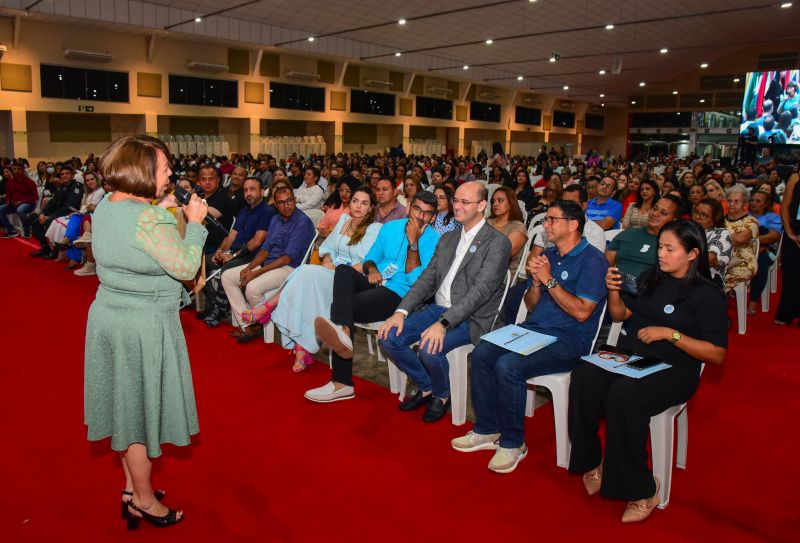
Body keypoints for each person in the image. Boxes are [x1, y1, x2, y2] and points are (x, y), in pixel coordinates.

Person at [84, 135, 209, 529]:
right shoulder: (149, 219)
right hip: (142, 324)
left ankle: (129, 486)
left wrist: (162, 207)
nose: (170, 173)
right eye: (164, 168)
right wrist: (195, 224)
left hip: (109, 316)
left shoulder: (106, 204)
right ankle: (143, 500)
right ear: (142, 171)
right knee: (138, 417)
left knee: (124, 406)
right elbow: (187, 267)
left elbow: (135, 235)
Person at [568, 220, 727, 523]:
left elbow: (717, 354)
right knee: (585, 375)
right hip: (635, 355)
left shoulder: (707, 294)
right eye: (660, 248)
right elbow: (621, 315)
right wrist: (614, 291)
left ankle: (642, 487)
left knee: (624, 395)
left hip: (675, 368)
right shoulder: (652, 277)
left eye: (670, 249)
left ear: (693, 254)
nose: (661, 254)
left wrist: (671, 334)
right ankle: (593, 461)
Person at [450, 201, 608, 474]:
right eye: (545, 220)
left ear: (573, 225)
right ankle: (487, 428)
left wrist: (548, 280)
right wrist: (535, 283)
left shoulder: (593, 260)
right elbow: (533, 304)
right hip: (534, 329)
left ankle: (513, 443)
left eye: (551, 220)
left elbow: (582, 313)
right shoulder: (551, 255)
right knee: (483, 351)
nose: (545, 225)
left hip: (569, 340)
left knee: (508, 365)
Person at [378, 182, 511, 422]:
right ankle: (427, 386)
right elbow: (427, 278)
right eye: (455, 200)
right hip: (438, 308)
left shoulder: (497, 243)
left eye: (464, 202)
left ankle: (441, 395)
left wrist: (443, 323)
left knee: (429, 348)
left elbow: (480, 292)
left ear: (482, 206)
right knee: (388, 337)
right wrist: (401, 311)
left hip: (473, 317)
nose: (456, 206)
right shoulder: (448, 238)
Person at [304, 191, 441, 403]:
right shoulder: (391, 228)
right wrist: (372, 268)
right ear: (409, 207)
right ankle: (344, 332)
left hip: (400, 295)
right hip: (376, 282)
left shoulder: (435, 240)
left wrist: (413, 242)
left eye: (427, 213)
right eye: (417, 209)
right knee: (343, 271)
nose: (420, 216)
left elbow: (417, 282)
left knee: (341, 307)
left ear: (433, 217)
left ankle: (342, 382)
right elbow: (370, 258)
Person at [245, 186, 381, 371]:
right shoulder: (344, 220)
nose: (358, 206)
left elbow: (367, 260)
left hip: (349, 278)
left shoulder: (374, 228)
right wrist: (326, 261)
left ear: (371, 207)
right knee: (305, 284)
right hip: (328, 271)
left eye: (364, 203)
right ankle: (302, 348)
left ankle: (267, 307)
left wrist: (339, 269)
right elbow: (329, 246)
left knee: (303, 272)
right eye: (355, 201)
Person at [221, 186, 315, 343]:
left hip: (291, 269)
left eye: (290, 201)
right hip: (271, 264)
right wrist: (248, 268)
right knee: (227, 277)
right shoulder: (275, 219)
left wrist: (256, 273)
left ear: (294, 200)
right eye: (281, 203)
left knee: (252, 287)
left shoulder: (302, 222)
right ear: (276, 205)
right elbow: (265, 250)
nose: (287, 206)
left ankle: (259, 323)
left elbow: (287, 258)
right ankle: (248, 324)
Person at [201, 177, 274, 326]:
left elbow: (257, 242)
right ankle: (213, 301)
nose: (248, 193)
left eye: (252, 189)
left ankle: (219, 310)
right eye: (246, 190)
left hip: (254, 256)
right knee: (206, 261)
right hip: (237, 252)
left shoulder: (266, 211)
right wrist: (220, 251)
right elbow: (231, 237)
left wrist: (232, 256)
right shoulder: (244, 211)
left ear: (261, 191)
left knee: (227, 267)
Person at [607, 195, 681, 279]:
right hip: (615, 287)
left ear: (673, 220)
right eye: (655, 208)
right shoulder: (627, 233)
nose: (655, 214)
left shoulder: (673, 245)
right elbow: (605, 266)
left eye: (663, 213)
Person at [28, 165, 84, 259]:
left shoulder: (76, 187)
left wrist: (50, 217)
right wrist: (43, 213)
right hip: (59, 213)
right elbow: (53, 202)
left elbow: (69, 206)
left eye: (67, 174)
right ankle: (45, 247)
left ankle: (56, 250)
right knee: (33, 217)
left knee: (50, 221)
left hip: (70, 214)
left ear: (73, 175)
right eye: (62, 174)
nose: (64, 176)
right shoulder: (62, 187)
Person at [747, 190, 783, 315]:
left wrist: (750, 240)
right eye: (752, 200)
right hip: (743, 248)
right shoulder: (745, 215)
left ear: (766, 204)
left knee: (760, 262)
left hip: (766, 249)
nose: (754, 203)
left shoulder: (772, 217)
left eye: (758, 201)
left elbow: (773, 236)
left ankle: (754, 300)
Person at [775, 170, 800, 325]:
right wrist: (790, 233)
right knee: (791, 274)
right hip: (794, 234)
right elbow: (785, 207)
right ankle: (787, 312)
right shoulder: (795, 177)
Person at [724, 185, 759, 293]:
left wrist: (719, 237)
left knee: (716, 283)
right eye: (729, 201)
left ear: (745, 203)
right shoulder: (720, 219)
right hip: (721, 260)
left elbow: (739, 240)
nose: (732, 204)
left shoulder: (750, 221)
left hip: (743, 263)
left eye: (736, 201)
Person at [487, 186, 528, 276]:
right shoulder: (488, 221)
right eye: (493, 201)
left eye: (500, 200)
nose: (495, 204)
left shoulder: (518, 227)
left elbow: (501, 255)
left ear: (511, 203)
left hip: (503, 275)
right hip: (480, 267)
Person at [691, 198, 732, 287]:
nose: (697, 217)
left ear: (714, 220)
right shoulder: (687, 229)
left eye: (704, 215)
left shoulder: (721, 234)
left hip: (709, 280)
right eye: (696, 212)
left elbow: (710, 258)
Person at [0, 162, 38, 238]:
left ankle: (27, 231)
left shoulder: (30, 182)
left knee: (20, 210)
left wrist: (22, 202)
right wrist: (8, 201)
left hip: (28, 204)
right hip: (14, 204)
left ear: (23, 170)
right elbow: (8, 195)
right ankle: (11, 230)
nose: (16, 171)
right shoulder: (10, 182)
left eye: (19, 169)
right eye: (14, 169)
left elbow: (35, 197)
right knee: (0, 209)